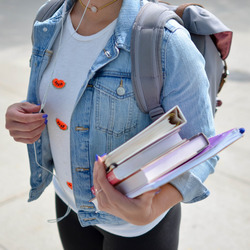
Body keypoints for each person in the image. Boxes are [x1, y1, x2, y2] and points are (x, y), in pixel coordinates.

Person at [5, 0, 218, 249]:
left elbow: (202, 147)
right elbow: (65, 94)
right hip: (69, 202)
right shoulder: (49, 18)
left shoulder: (167, 40)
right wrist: (22, 115)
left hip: (137, 229)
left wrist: (151, 210)